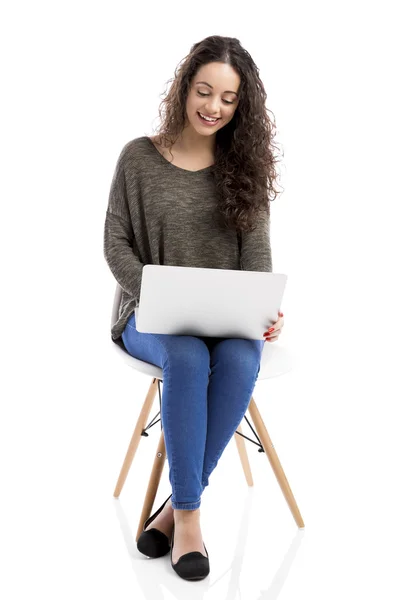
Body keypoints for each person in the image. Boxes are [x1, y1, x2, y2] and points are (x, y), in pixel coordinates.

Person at [103, 35, 285, 581]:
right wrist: (152, 293)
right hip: (147, 317)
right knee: (183, 357)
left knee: (237, 361)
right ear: (185, 88)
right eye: (204, 91)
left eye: (228, 99)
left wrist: (263, 313)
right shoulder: (139, 157)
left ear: (241, 106)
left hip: (225, 324)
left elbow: (257, 262)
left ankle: (170, 509)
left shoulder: (244, 169)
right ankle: (189, 519)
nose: (213, 108)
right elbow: (115, 243)